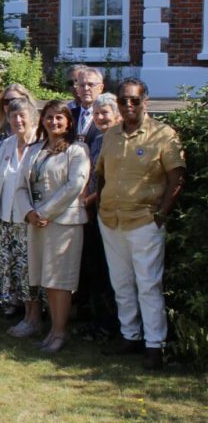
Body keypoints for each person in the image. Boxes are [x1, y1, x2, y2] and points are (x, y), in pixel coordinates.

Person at [95, 78, 185, 370]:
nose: (129, 105)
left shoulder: (164, 134)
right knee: (121, 283)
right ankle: (129, 335)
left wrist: (161, 214)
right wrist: (99, 206)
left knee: (148, 285)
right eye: (123, 100)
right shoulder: (110, 135)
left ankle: (154, 345)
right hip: (111, 219)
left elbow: (177, 178)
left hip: (145, 221)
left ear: (146, 100)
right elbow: (101, 175)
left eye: (134, 100)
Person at [20, 100, 90, 353]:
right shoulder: (35, 149)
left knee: (60, 280)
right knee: (46, 279)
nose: (54, 122)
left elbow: (74, 186)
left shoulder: (76, 150)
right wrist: (29, 212)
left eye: (59, 117)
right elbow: (21, 185)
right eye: (49, 117)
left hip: (63, 223)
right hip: (36, 222)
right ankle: (51, 329)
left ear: (69, 122)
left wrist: (44, 212)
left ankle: (60, 332)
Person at [0, 98, 42, 332]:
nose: (17, 120)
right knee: (15, 268)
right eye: (12, 116)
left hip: (30, 218)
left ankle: (34, 318)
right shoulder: (7, 144)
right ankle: (25, 315)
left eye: (22, 116)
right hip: (6, 218)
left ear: (33, 118)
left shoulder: (41, 145)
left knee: (30, 270)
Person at [77, 92, 121, 340]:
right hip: (90, 211)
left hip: (106, 210)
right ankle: (98, 321)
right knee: (94, 269)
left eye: (105, 112)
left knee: (108, 272)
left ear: (116, 115)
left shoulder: (117, 141)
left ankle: (111, 325)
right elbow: (90, 174)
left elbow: (109, 180)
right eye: (96, 113)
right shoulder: (97, 140)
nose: (100, 117)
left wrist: (88, 201)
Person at [70, 67, 105, 145]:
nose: (86, 88)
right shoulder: (69, 115)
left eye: (90, 84)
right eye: (82, 85)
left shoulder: (107, 116)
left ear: (101, 88)